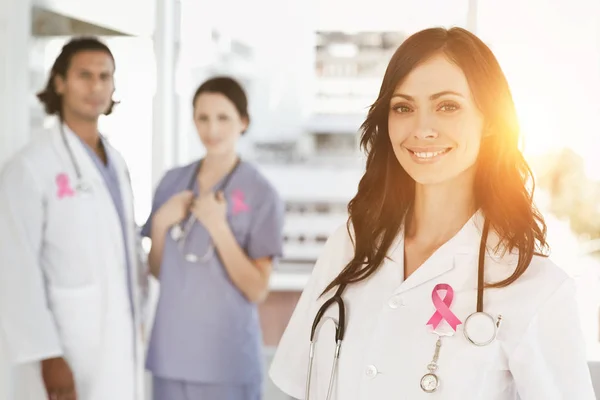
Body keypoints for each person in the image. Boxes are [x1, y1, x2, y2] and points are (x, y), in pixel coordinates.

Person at [269, 27, 596, 400]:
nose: (421, 129)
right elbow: (297, 386)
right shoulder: (350, 247)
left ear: (490, 121)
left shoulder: (537, 288)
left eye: (447, 106)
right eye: (403, 107)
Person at [0, 37, 147, 400]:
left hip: (119, 336)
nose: (96, 86)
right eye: (84, 75)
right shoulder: (31, 166)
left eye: (105, 76)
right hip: (66, 343)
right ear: (60, 82)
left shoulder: (118, 162)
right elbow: (14, 264)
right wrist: (46, 352)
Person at [142, 76, 285, 399]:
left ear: (243, 122)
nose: (212, 129)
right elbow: (157, 270)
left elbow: (257, 288)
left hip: (226, 359)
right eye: (203, 118)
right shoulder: (172, 182)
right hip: (171, 353)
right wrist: (161, 223)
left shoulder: (261, 193)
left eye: (224, 118)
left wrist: (218, 228)